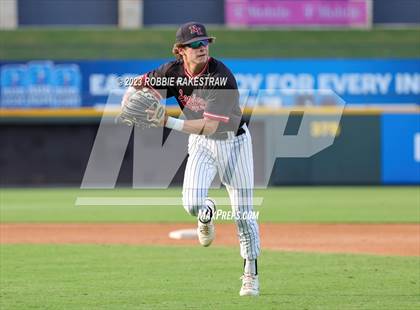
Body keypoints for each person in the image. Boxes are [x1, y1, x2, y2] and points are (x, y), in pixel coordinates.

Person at [122, 22, 260, 296]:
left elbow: (210, 127)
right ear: (180, 50)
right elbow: (138, 85)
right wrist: (128, 101)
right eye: (195, 44)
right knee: (192, 203)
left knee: (243, 216)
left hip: (233, 144)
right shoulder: (171, 72)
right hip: (201, 144)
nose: (202, 48)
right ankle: (206, 211)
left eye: (205, 42)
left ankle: (250, 273)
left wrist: (166, 121)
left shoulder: (221, 77)